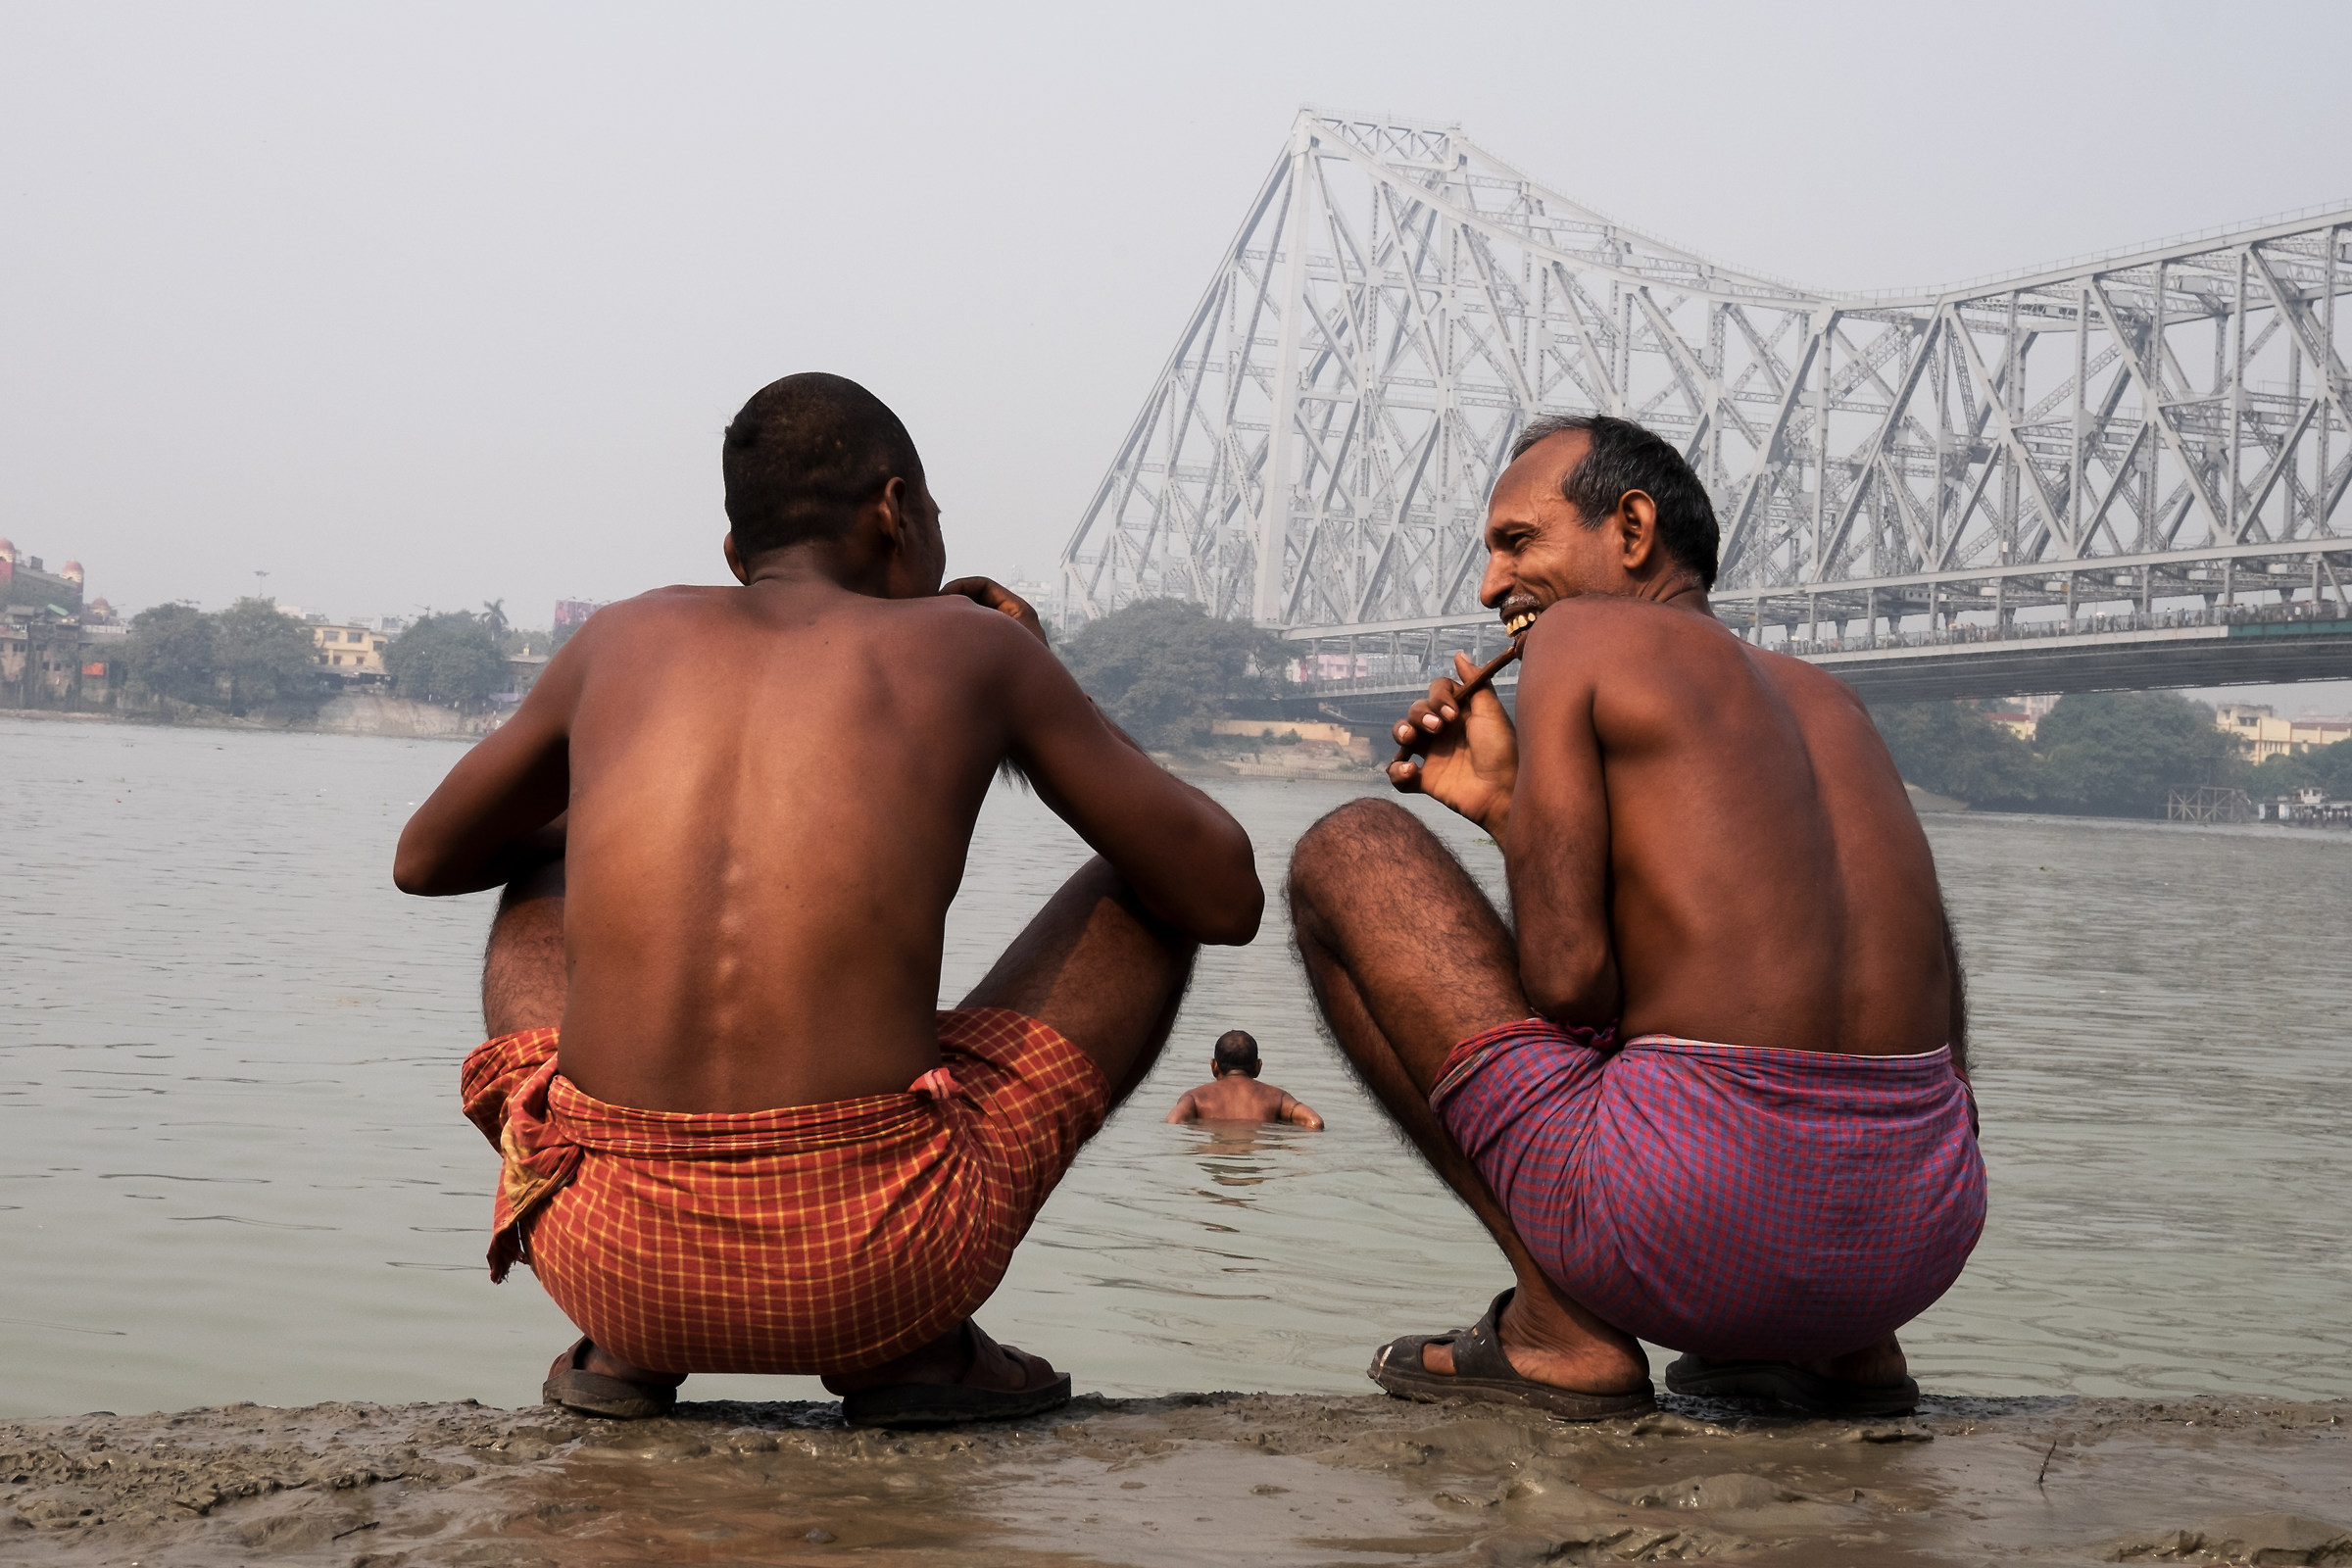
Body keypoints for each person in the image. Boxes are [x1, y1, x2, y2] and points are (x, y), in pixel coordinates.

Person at [394, 372, 1262, 1427]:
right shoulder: (977, 645)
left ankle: (627, 1351)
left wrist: (622, 822)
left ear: (734, 555)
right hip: (884, 1266)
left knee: (534, 861)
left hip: (604, 1256)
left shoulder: (614, 640)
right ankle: (922, 1358)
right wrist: (1039, 664)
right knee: (1147, 876)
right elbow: (1219, 888)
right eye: (933, 512)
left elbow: (427, 858)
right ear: (896, 510)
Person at [1284, 414, 1984, 1420]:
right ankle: (1842, 1352)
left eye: (1516, 541)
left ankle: (1559, 1328)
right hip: (1918, 1241)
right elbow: (1925, 1020)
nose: (1490, 587)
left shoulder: (1581, 633)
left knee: (1348, 849)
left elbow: (1571, 987)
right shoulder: (1833, 700)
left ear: (1632, 526)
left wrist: (1522, 811)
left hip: (1700, 1225)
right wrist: (1510, 804)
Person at [1163, 1030, 1325, 1128]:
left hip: (1214, 1153)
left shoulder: (1195, 1097)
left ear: (1214, 1066)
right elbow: (1315, 1122)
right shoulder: (1278, 1097)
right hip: (1257, 1156)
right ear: (1258, 1067)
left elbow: (1173, 1121)